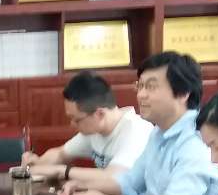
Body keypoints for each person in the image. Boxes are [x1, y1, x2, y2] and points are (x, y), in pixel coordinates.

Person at [60, 51, 218, 195]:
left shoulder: (198, 140)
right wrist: (87, 186)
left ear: (183, 93)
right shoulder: (159, 132)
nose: (141, 95)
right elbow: (130, 181)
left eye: (151, 87)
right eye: (140, 86)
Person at [20, 70, 152, 181]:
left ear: (99, 114)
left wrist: (62, 171)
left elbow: (114, 178)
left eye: (76, 120)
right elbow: (61, 153)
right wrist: (37, 163)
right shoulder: (95, 130)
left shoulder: (137, 131)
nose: (72, 124)